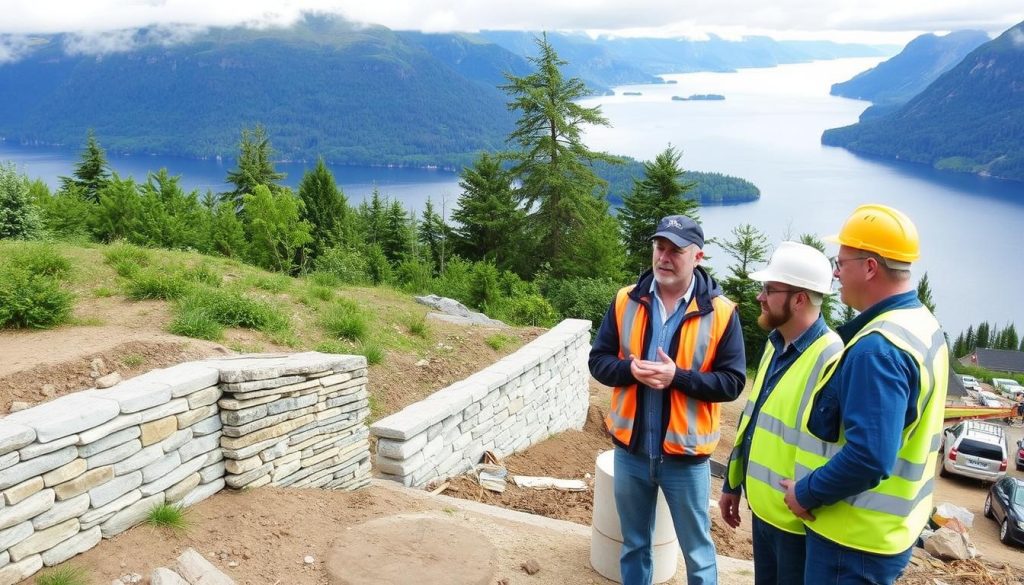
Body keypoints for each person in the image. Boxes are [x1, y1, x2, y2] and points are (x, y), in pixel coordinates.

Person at [782, 204, 949, 584]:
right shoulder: (921, 324)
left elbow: (869, 456)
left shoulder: (879, 349)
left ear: (870, 267)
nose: (836, 273)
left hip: (851, 541)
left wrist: (806, 493)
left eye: (841, 262)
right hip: (884, 535)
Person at [589, 215, 746, 585]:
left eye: (676, 250)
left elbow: (733, 382)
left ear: (698, 257)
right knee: (634, 546)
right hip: (631, 455)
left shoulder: (722, 313)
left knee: (698, 553)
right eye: (660, 247)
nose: (665, 257)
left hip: (687, 461)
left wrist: (679, 378)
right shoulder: (626, 300)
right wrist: (630, 370)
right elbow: (598, 361)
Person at [719, 242, 843, 585]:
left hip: (798, 526)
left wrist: (809, 494)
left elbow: (841, 451)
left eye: (769, 289)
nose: (760, 296)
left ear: (799, 298)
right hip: (765, 514)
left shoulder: (832, 358)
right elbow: (753, 419)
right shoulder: (776, 345)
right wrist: (733, 481)